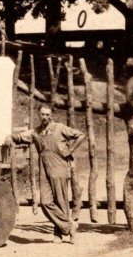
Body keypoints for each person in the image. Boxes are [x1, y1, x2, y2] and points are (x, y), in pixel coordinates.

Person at [7, 104, 86, 244]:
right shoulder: (35, 132)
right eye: (42, 114)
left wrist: (70, 150)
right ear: (39, 115)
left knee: (61, 201)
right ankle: (70, 227)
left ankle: (59, 234)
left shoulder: (60, 128)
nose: (45, 117)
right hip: (44, 169)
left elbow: (80, 135)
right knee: (45, 202)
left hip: (59, 167)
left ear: (51, 116)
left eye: (47, 115)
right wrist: (9, 137)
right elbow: (19, 137)